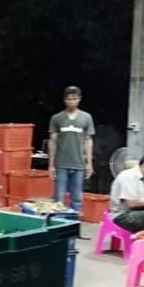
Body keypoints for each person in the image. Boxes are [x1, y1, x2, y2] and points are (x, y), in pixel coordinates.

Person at [48, 86, 95, 214]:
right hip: (61, 164)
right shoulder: (57, 118)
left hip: (79, 163)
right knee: (58, 197)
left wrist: (89, 164)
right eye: (69, 99)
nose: (72, 101)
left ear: (79, 99)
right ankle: (58, 222)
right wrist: (51, 165)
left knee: (77, 197)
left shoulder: (86, 117)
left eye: (74, 99)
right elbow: (53, 141)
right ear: (64, 100)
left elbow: (88, 141)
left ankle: (75, 222)